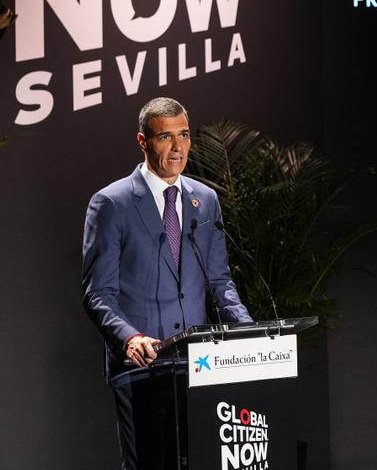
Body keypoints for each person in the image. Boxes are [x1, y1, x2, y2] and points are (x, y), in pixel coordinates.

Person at [82, 96, 251, 470]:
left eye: (184, 135)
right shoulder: (111, 203)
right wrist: (129, 338)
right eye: (165, 137)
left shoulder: (205, 200)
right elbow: (98, 293)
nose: (178, 147)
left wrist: (249, 332)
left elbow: (219, 281)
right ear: (143, 142)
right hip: (142, 366)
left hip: (199, 365)